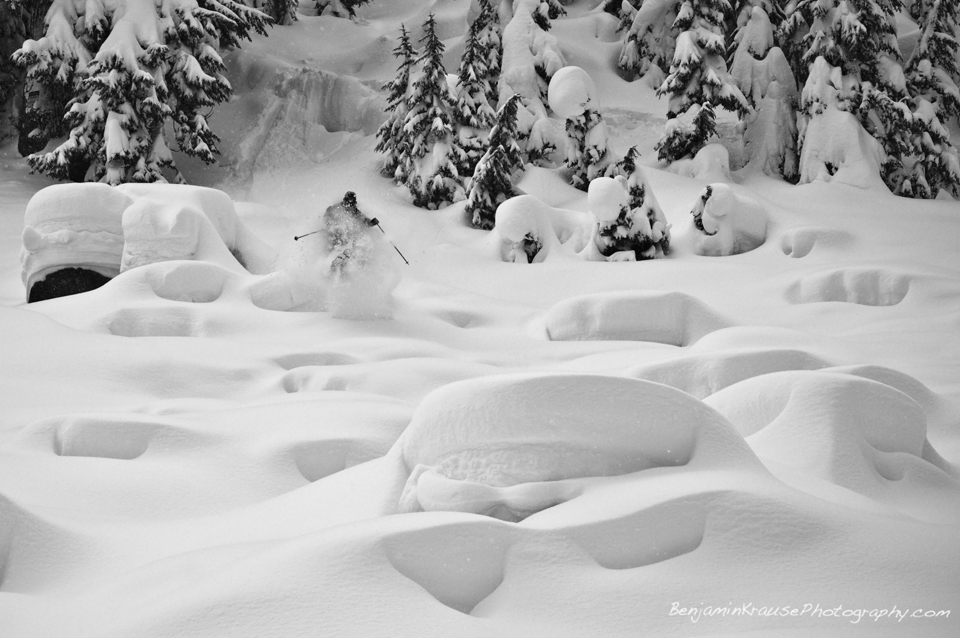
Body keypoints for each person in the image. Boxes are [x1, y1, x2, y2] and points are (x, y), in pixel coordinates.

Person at [322, 191, 380, 274]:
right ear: (344, 200)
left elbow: (364, 221)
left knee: (346, 250)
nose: (349, 205)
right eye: (347, 201)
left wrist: (371, 223)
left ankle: (342, 271)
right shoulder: (336, 208)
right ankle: (328, 268)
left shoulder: (355, 212)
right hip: (335, 237)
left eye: (351, 203)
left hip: (346, 240)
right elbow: (327, 216)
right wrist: (330, 224)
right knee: (335, 247)